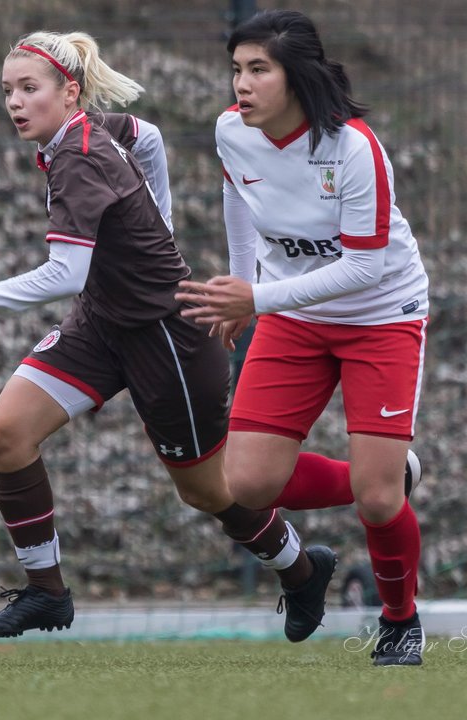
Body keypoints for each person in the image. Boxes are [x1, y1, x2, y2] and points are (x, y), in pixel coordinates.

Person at [0, 29, 339, 641]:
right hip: (102, 325)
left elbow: (65, 273)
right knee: (6, 434)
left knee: (209, 492)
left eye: (29, 89)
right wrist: (161, 221)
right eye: (7, 91)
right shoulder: (84, 134)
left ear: (68, 92)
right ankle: (47, 594)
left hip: (167, 340)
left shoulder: (76, 155)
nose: (15, 103)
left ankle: (302, 568)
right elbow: (145, 136)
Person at [175, 10, 429, 666]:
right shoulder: (232, 131)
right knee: (248, 483)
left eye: (259, 69)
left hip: (380, 316)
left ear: (299, 75)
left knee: (378, 505)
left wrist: (256, 297)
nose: (242, 83)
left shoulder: (353, 149)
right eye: (237, 69)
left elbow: (364, 268)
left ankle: (399, 620)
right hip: (293, 315)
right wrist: (240, 283)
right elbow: (237, 199)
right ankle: (389, 476)